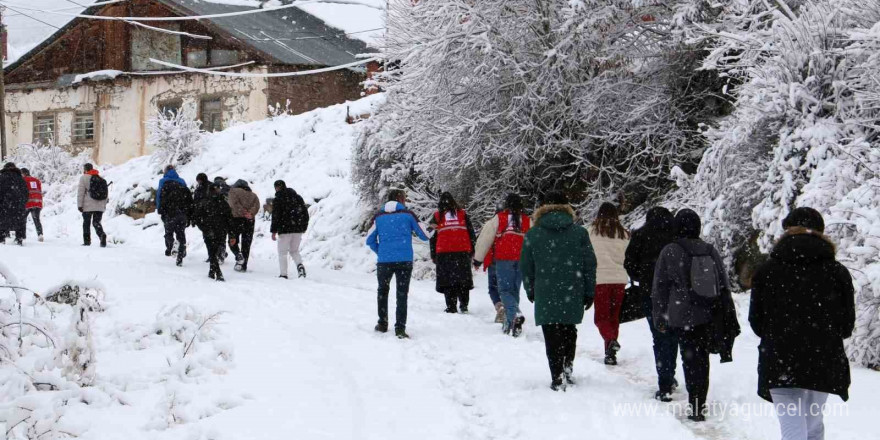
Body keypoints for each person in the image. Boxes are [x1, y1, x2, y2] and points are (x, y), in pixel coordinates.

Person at [750, 207, 855, 440]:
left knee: (793, 429)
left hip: (780, 357)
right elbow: (847, 324)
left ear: (787, 231)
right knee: (813, 425)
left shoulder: (767, 271)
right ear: (821, 233)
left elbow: (756, 322)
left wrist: (780, 333)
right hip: (823, 358)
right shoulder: (837, 272)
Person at [652, 209, 737, 421]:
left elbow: (660, 287)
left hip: (682, 314)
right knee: (702, 358)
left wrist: (660, 316)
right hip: (709, 312)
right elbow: (723, 283)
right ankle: (699, 402)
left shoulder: (670, 251)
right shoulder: (709, 250)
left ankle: (694, 403)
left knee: (689, 357)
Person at [520, 192, 597, 390]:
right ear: (567, 207)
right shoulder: (579, 233)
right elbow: (589, 264)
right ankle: (568, 367)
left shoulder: (533, 234)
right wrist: (589, 291)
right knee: (569, 330)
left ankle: (557, 375)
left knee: (551, 333)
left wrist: (530, 289)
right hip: (573, 289)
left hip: (545, 291)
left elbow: (526, 266)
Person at [624, 207, 679, 401]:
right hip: (675, 293)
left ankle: (664, 381)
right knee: (673, 335)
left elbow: (629, 263)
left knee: (659, 336)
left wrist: (642, 278)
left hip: (651, 293)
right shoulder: (676, 233)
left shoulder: (640, 234)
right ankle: (670, 374)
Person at [366, 189, 429, 339]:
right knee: (402, 295)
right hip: (404, 260)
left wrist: (381, 251)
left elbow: (369, 239)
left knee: (382, 291)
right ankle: (400, 329)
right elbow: (425, 236)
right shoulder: (408, 215)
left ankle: (382, 324)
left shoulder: (378, 217)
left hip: (384, 261)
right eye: (405, 198)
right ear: (400, 199)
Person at [474, 194, 530, 336]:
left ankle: (515, 314)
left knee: (504, 290)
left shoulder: (500, 218)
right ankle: (510, 323)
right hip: (522, 258)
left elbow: (485, 238)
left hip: (504, 257)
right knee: (514, 290)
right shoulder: (527, 220)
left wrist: (478, 258)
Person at [590, 202, 631, 365]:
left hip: (600, 279)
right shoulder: (624, 234)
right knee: (614, 317)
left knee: (601, 318)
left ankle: (610, 340)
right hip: (619, 279)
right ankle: (610, 353)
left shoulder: (591, 232)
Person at [429, 192, 476, 314]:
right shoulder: (462, 214)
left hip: (444, 253)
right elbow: (471, 232)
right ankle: (464, 305)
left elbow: (432, 236)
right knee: (463, 280)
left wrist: (433, 254)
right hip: (462, 251)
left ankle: (451, 306)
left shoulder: (437, 216)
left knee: (448, 281)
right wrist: (472, 249)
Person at [192, 183, 233, 281]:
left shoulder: (205, 202)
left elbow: (196, 218)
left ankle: (216, 272)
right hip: (219, 231)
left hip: (211, 231)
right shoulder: (223, 203)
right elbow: (230, 219)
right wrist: (230, 232)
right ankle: (214, 271)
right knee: (214, 252)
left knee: (212, 252)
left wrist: (204, 228)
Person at [270, 180, 309, 279]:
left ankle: (283, 274)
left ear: (277, 187)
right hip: (298, 229)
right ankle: (300, 266)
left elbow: (276, 216)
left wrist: (273, 231)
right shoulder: (297, 197)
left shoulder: (278, 199)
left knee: (282, 253)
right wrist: (304, 227)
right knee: (294, 251)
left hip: (285, 230)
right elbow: (305, 213)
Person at [157, 166, 192, 266]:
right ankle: (181, 255)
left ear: (166, 171)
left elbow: (159, 196)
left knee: (168, 232)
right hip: (181, 212)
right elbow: (188, 198)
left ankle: (171, 247)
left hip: (169, 212)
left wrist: (160, 209)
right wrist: (189, 213)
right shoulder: (181, 181)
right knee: (181, 233)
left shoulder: (163, 181)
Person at [228, 179, 260, 272]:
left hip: (236, 219)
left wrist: (242, 212)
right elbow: (257, 206)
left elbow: (233, 204)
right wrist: (250, 213)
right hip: (249, 221)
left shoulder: (233, 191)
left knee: (232, 240)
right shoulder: (253, 195)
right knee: (246, 243)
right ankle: (243, 265)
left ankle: (238, 256)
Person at [77, 163, 109, 247]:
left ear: (85, 169)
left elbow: (81, 193)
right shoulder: (101, 179)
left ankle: (87, 241)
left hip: (88, 206)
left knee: (86, 223)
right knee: (96, 222)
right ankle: (101, 235)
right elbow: (105, 194)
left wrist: (79, 205)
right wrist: (104, 205)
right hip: (99, 206)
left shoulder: (83, 178)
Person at [0, 162, 28, 245]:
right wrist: (22, 203)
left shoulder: (1, 178)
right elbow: (26, 193)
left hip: (3, 206)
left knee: (2, 222)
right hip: (18, 205)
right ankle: (19, 238)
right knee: (19, 222)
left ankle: (1, 238)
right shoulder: (20, 179)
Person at [21, 168, 44, 242]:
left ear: (24, 173)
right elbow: (39, 191)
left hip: (28, 203)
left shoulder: (23, 180)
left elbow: (22, 191)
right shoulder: (36, 180)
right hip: (37, 202)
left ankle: (23, 235)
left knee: (22, 219)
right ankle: (40, 234)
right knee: (36, 219)